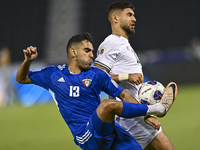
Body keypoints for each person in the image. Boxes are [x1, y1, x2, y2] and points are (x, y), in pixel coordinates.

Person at [16, 33, 177, 150]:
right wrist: (28, 61)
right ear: (73, 52)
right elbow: (21, 79)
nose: (92, 56)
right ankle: (158, 108)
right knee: (107, 105)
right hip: (86, 136)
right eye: (87, 51)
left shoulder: (97, 74)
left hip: (110, 130)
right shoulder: (52, 74)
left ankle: (152, 111)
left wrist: (145, 116)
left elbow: (124, 95)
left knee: (108, 106)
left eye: (92, 51)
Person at [94, 1, 176, 150]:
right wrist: (126, 76)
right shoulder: (111, 42)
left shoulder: (124, 44)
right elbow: (96, 77)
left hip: (135, 115)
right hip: (132, 119)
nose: (134, 19)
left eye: (134, 15)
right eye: (129, 15)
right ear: (115, 18)